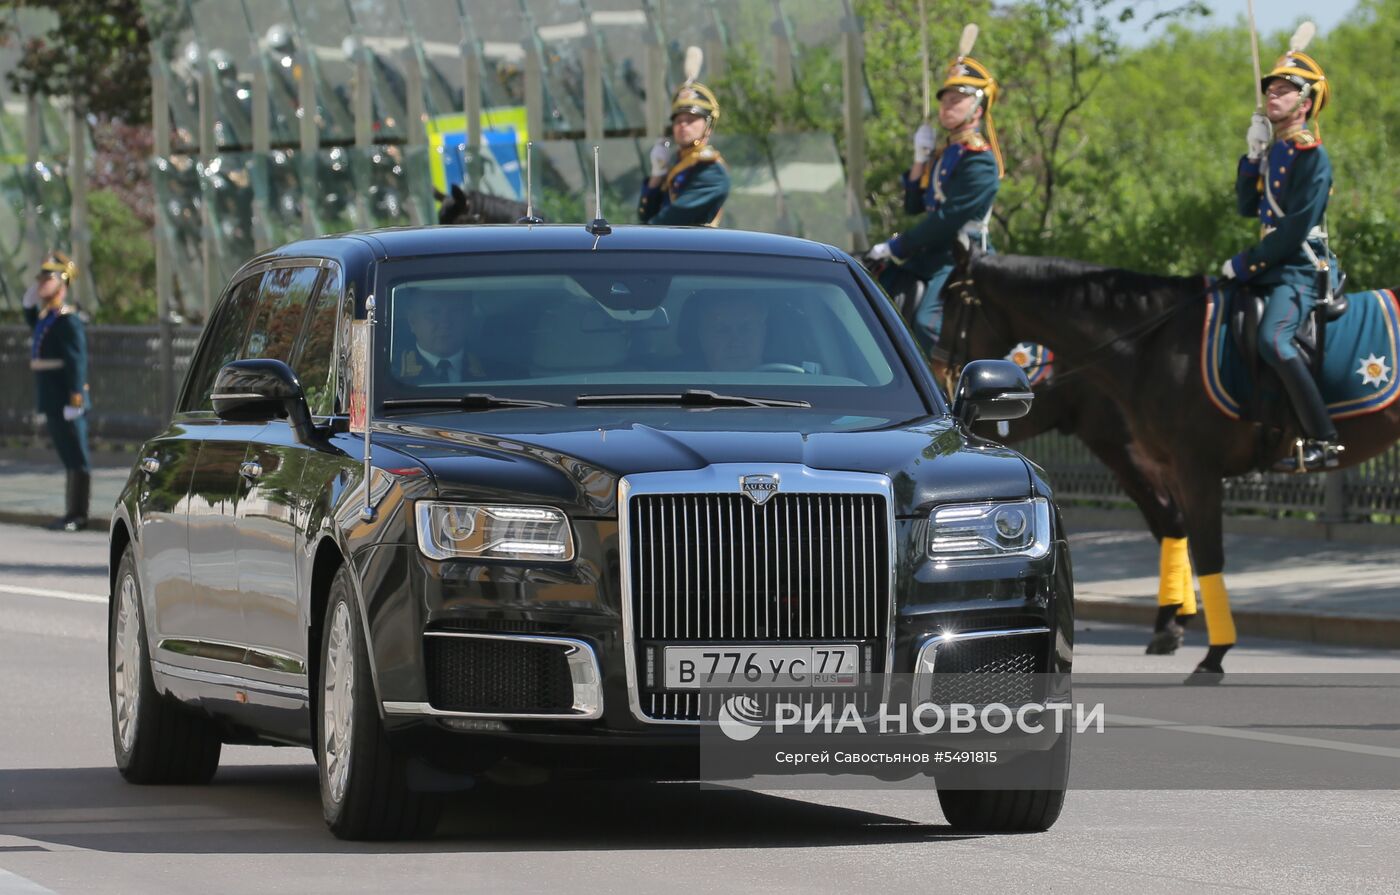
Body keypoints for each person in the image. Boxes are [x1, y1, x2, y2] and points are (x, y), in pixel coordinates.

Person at [1218, 43, 1341, 472]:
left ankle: (1324, 439)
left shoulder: (1312, 155)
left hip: (1300, 269)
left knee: (1273, 339)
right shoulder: (1276, 150)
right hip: (1275, 265)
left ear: (1305, 103)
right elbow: (1246, 208)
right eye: (1271, 88)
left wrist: (1247, 261)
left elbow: (1293, 231)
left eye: (1285, 89)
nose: (1273, 94)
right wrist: (1252, 159)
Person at [867, 26, 1003, 356]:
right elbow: (914, 205)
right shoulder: (946, 154)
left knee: (929, 323)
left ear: (978, 109)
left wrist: (899, 243)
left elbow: (948, 219)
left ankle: (952, 389)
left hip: (962, 252)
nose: (947, 105)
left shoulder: (980, 161)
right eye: (945, 99)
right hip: (934, 250)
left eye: (958, 100)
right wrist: (918, 160)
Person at [22, 251, 91, 532]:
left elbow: (77, 362)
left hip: (66, 398)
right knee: (66, 454)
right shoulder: (48, 318)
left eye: (46, 279)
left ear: (62, 284)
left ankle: (79, 514)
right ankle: (70, 512)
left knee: (77, 455)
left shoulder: (68, 320)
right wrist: (29, 300)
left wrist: (75, 398)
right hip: (52, 398)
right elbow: (34, 325)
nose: (40, 283)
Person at [638, 67, 730, 227]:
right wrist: (657, 175)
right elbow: (646, 215)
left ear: (708, 126)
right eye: (678, 120)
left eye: (691, 119)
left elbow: (667, 221)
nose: (683, 125)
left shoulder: (712, 172)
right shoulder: (677, 163)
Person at [394, 291, 478, 383]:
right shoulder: (391, 371)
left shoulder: (493, 372)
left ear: (469, 318)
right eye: (433, 313)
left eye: (455, 311)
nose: (445, 323)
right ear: (412, 321)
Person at [692, 292, 769, 372]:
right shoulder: (679, 379)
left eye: (746, 329)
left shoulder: (782, 379)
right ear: (702, 337)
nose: (735, 343)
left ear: (763, 334)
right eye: (722, 330)